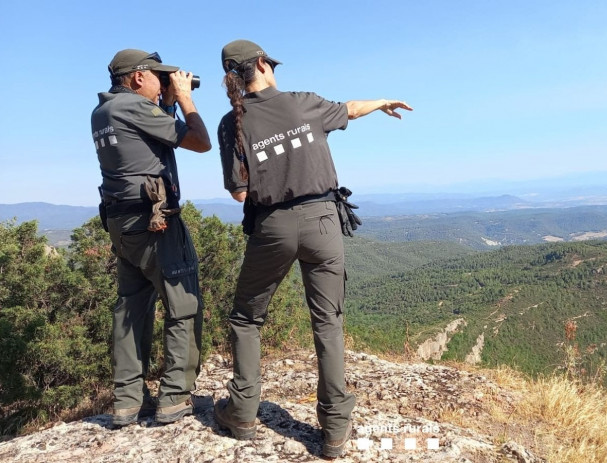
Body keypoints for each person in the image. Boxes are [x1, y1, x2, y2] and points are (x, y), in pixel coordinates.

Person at [213, 39, 412, 458]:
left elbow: (238, 194)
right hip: (323, 220)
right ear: (263, 64)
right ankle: (335, 430)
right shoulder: (303, 103)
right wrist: (382, 102)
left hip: (273, 226)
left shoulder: (232, 123)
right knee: (328, 322)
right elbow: (351, 109)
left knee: (247, 318)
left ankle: (243, 412)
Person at [91, 49, 211, 427]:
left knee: (132, 306)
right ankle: (174, 396)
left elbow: (153, 143)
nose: (166, 84)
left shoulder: (104, 111)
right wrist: (186, 99)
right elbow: (199, 141)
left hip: (121, 223)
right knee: (183, 302)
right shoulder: (132, 107)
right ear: (139, 76)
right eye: (160, 77)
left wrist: (169, 102)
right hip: (155, 223)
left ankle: (128, 400)